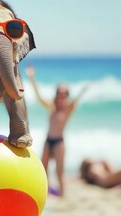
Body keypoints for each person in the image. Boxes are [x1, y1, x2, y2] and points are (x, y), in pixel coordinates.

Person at [25, 65, 89, 197]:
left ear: (67, 95)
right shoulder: (52, 106)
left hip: (59, 142)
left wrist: (84, 89)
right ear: (56, 93)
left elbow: (77, 99)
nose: (62, 95)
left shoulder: (68, 108)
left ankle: (62, 196)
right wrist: (32, 78)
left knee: (59, 172)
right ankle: (44, 193)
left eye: (64, 93)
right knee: (43, 169)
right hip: (48, 141)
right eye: (60, 92)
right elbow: (39, 96)